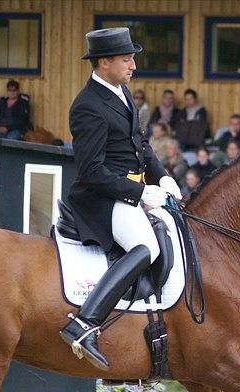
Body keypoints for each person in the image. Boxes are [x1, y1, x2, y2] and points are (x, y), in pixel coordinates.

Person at [60, 28, 181, 370]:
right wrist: (141, 192)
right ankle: (84, 324)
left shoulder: (122, 93)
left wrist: (164, 177)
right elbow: (92, 172)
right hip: (100, 199)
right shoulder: (88, 107)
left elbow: (141, 145)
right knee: (147, 247)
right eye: (127, 59)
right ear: (104, 62)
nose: (133, 66)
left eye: (132, 59)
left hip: (130, 193)